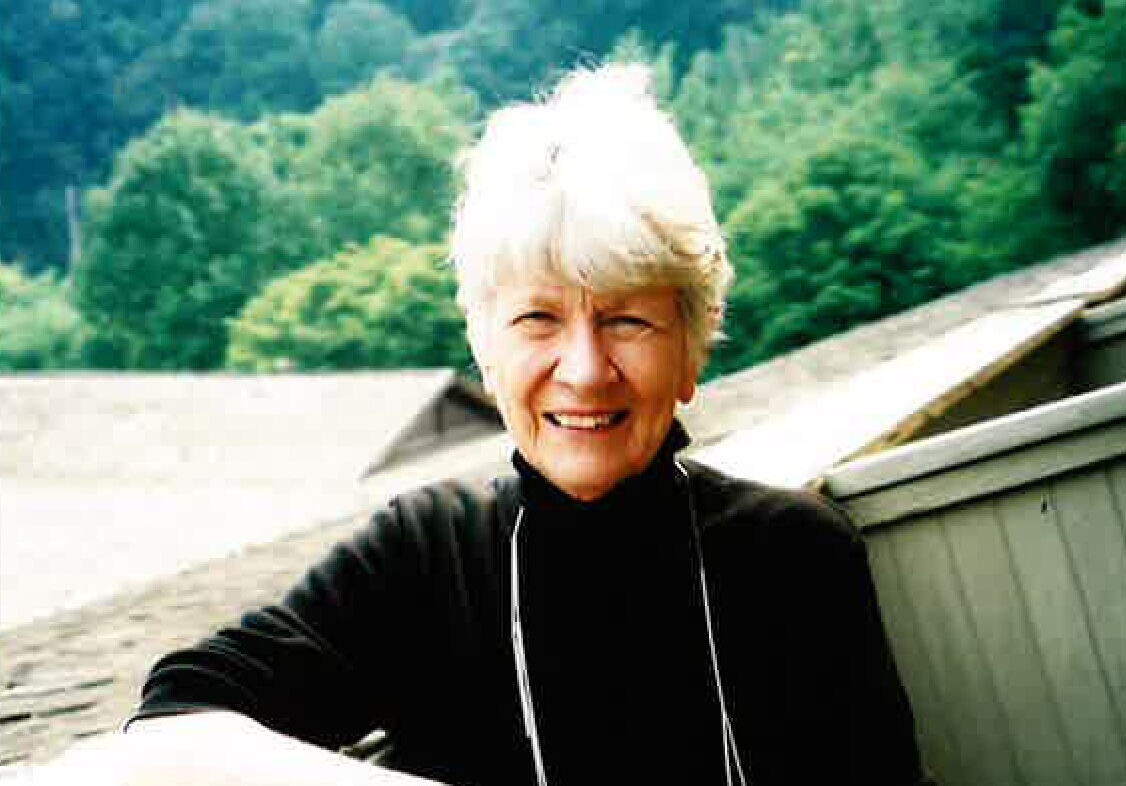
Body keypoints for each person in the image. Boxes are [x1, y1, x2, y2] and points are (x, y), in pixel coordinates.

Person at [25, 63, 930, 785]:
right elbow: (184, 715)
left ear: (691, 352)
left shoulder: (792, 556)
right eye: (539, 320)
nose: (583, 367)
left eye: (627, 318)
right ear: (487, 354)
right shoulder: (426, 555)